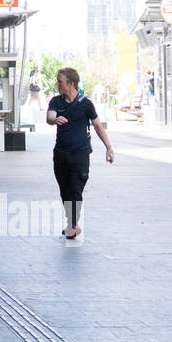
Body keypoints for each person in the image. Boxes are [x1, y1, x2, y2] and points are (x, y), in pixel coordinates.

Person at [47, 67, 115, 240]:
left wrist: (108, 147)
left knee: (76, 189)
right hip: (61, 155)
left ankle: (73, 224)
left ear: (70, 83)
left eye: (60, 81)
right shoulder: (56, 101)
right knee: (65, 190)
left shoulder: (85, 103)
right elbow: (49, 117)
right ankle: (71, 222)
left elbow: (98, 126)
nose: (57, 84)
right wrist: (55, 119)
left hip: (80, 155)